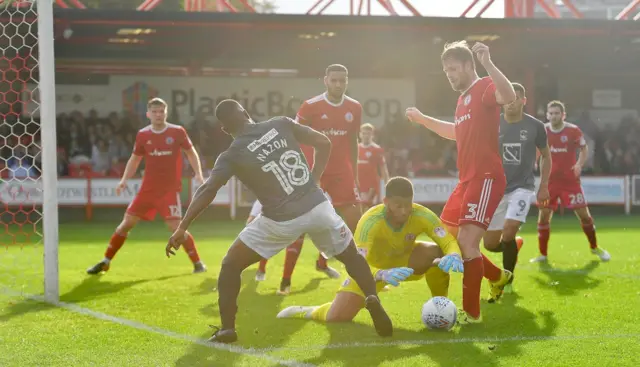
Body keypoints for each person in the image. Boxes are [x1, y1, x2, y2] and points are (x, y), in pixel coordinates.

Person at [166, 99, 393, 344]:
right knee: (351, 256)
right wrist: (314, 177)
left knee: (231, 265)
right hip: (318, 205)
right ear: (245, 111)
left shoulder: (232, 154)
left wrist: (183, 226)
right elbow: (324, 142)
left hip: (281, 219)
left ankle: (227, 329)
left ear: (224, 128)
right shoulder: (281, 123)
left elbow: (208, 190)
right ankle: (371, 297)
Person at [405, 41, 516, 324]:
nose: (449, 74)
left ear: (469, 65)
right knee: (447, 237)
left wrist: (489, 63)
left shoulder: (484, 88)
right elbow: (457, 133)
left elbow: (509, 95)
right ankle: (498, 276)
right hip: (466, 180)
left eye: (453, 68)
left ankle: (472, 313)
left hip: (486, 177)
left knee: (467, 242)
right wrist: (422, 120)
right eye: (445, 71)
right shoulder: (462, 99)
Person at [276, 177, 464, 324]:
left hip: (405, 263)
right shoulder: (370, 221)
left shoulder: (421, 214)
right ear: (386, 201)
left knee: (438, 253)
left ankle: (441, 307)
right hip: (371, 271)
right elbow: (359, 262)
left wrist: (454, 253)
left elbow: (447, 240)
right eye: (399, 205)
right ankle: (306, 311)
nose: (405, 210)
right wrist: (381, 274)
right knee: (337, 317)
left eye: (408, 204)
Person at [256, 64, 364, 295]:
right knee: (301, 225)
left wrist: (354, 175)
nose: (338, 84)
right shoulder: (311, 106)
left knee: (357, 221)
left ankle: (360, 276)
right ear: (325, 80)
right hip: (312, 172)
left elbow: (353, 142)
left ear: (347, 81)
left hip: (341, 174)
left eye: (342, 81)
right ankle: (286, 280)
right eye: (334, 80)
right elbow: (291, 136)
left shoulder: (354, 108)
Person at [87, 98, 206, 275]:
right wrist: (124, 180)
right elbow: (135, 159)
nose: (158, 115)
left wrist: (198, 173)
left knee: (176, 228)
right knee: (126, 224)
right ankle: (106, 261)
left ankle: (198, 263)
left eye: (162, 111)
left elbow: (191, 151)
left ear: (166, 113)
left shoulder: (177, 132)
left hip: (168, 190)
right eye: (155, 112)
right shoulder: (143, 134)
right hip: (147, 190)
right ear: (148, 114)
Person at [483, 83, 552, 294]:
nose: (511, 103)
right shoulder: (492, 124)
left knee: (509, 230)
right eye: (507, 99)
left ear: (524, 101)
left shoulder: (536, 126)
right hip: (497, 189)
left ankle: (507, 281)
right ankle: (514, 245)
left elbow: (546, 156)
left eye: (516, 99)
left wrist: (543, 186)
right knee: (490, 244)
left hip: (522, 187)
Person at [530, 100, 611, 263]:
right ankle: (543, 254)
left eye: (556, 113)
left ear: (563, 115)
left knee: (585, 216)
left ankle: (595, 247)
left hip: (570, 182)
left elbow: (584, 148)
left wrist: (579, 164)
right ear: (547, 115)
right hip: (549, 182)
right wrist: (534, 160)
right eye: (551, 113)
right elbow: (537, 149)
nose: (553, 116)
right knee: (543, 218)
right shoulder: (543, 131)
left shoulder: (573, 130)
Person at [358, 123, 390, 209]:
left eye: (368, 134)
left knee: (370, 209)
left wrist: (388, 184)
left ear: (372, 135)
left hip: (371, 186)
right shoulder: (356, 148)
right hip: (358, 185)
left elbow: (383, 169)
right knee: (358, 210)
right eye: (364, 133)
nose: (366, 136)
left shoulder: (377, 149)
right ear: (360, 134)